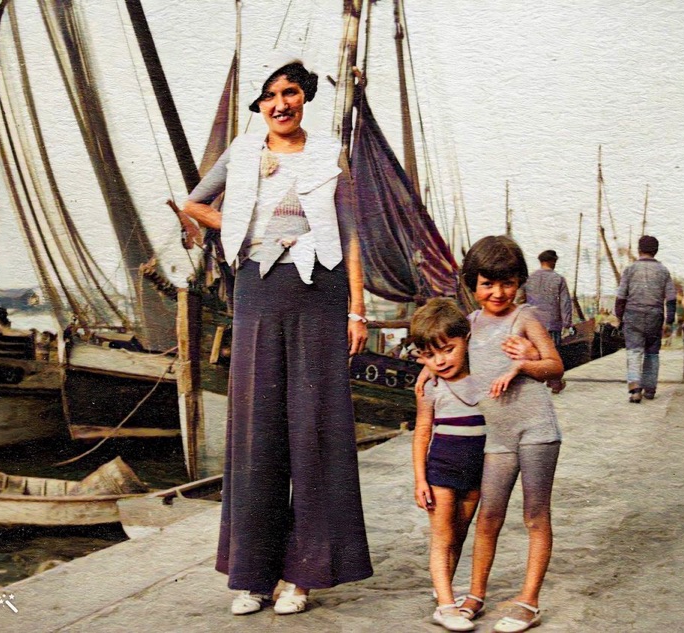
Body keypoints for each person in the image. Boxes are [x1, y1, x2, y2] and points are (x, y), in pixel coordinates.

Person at [180, 51, 373, 615]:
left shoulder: (329, 154)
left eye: (289, 93)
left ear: (304, 97)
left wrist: (357, 311)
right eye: (269, 96)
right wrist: (244, 227)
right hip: (258, 294)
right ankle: (253, 576)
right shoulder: (242, 153)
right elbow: (194, 203)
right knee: (257, 430)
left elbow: (350, 234)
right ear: (259, 105)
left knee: (314, 430)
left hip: (320, 294)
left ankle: (302, 577)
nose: (279, 104)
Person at [420, 236, 564, 633]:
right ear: (472, 284)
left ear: (519, 283)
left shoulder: (525, 318)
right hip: (496, 437)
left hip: (536, 429)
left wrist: (525, 363)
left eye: (508, 283)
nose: (498, 293)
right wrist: (426, 369)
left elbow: (556, 367)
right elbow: (446, 352)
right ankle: (475, 594)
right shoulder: (468, 325)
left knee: (535, 515)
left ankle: (528, 602)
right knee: (488, 517)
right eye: (487, 284)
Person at [410, 298, 486, 632]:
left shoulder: (484, 374)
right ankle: (445, 605)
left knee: (459, 533)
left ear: (465, 340)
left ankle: (444, 587)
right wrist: (420, 479)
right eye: (429, 355)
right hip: (441, 470)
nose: (440, 361)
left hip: (477, 471)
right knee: (442, 537)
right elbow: (422, 432)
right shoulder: (430, 386)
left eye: (447, 350)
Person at [615, 235, 676, 402]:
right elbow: (671, 298)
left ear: (639, 249)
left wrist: (619, 317)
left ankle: (635, 390)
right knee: (652, 353)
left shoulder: (630, 269)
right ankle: (650, 390)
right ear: (656, 251)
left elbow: (621, 297)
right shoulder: (663, 270)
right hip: (655, 316)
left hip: (633, 315)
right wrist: (669, 320)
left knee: (634, 352)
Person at [521, 249, 573, 394]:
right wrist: (567, 323)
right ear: (553, 261)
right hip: (552, 323)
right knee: (553, 354)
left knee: (535, 354)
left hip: (533, 323)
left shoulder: (529, 279)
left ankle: (535, 383)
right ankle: (555, 383)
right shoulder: (558, 279)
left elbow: (520, 299)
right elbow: (565, 303)